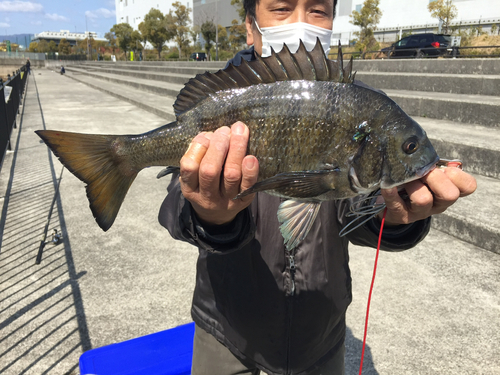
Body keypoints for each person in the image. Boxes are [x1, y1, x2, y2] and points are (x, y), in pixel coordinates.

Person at [158, 0, 477, 374]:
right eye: (281, 8)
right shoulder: (224, 99)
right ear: (250, 26)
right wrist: (209, 215)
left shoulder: (356, 106)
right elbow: (174, 206)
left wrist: (395, 217)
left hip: (319, 330)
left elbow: (353, 209)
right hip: (226, 321)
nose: (301, 23)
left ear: (331, 20)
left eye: (318, 10)